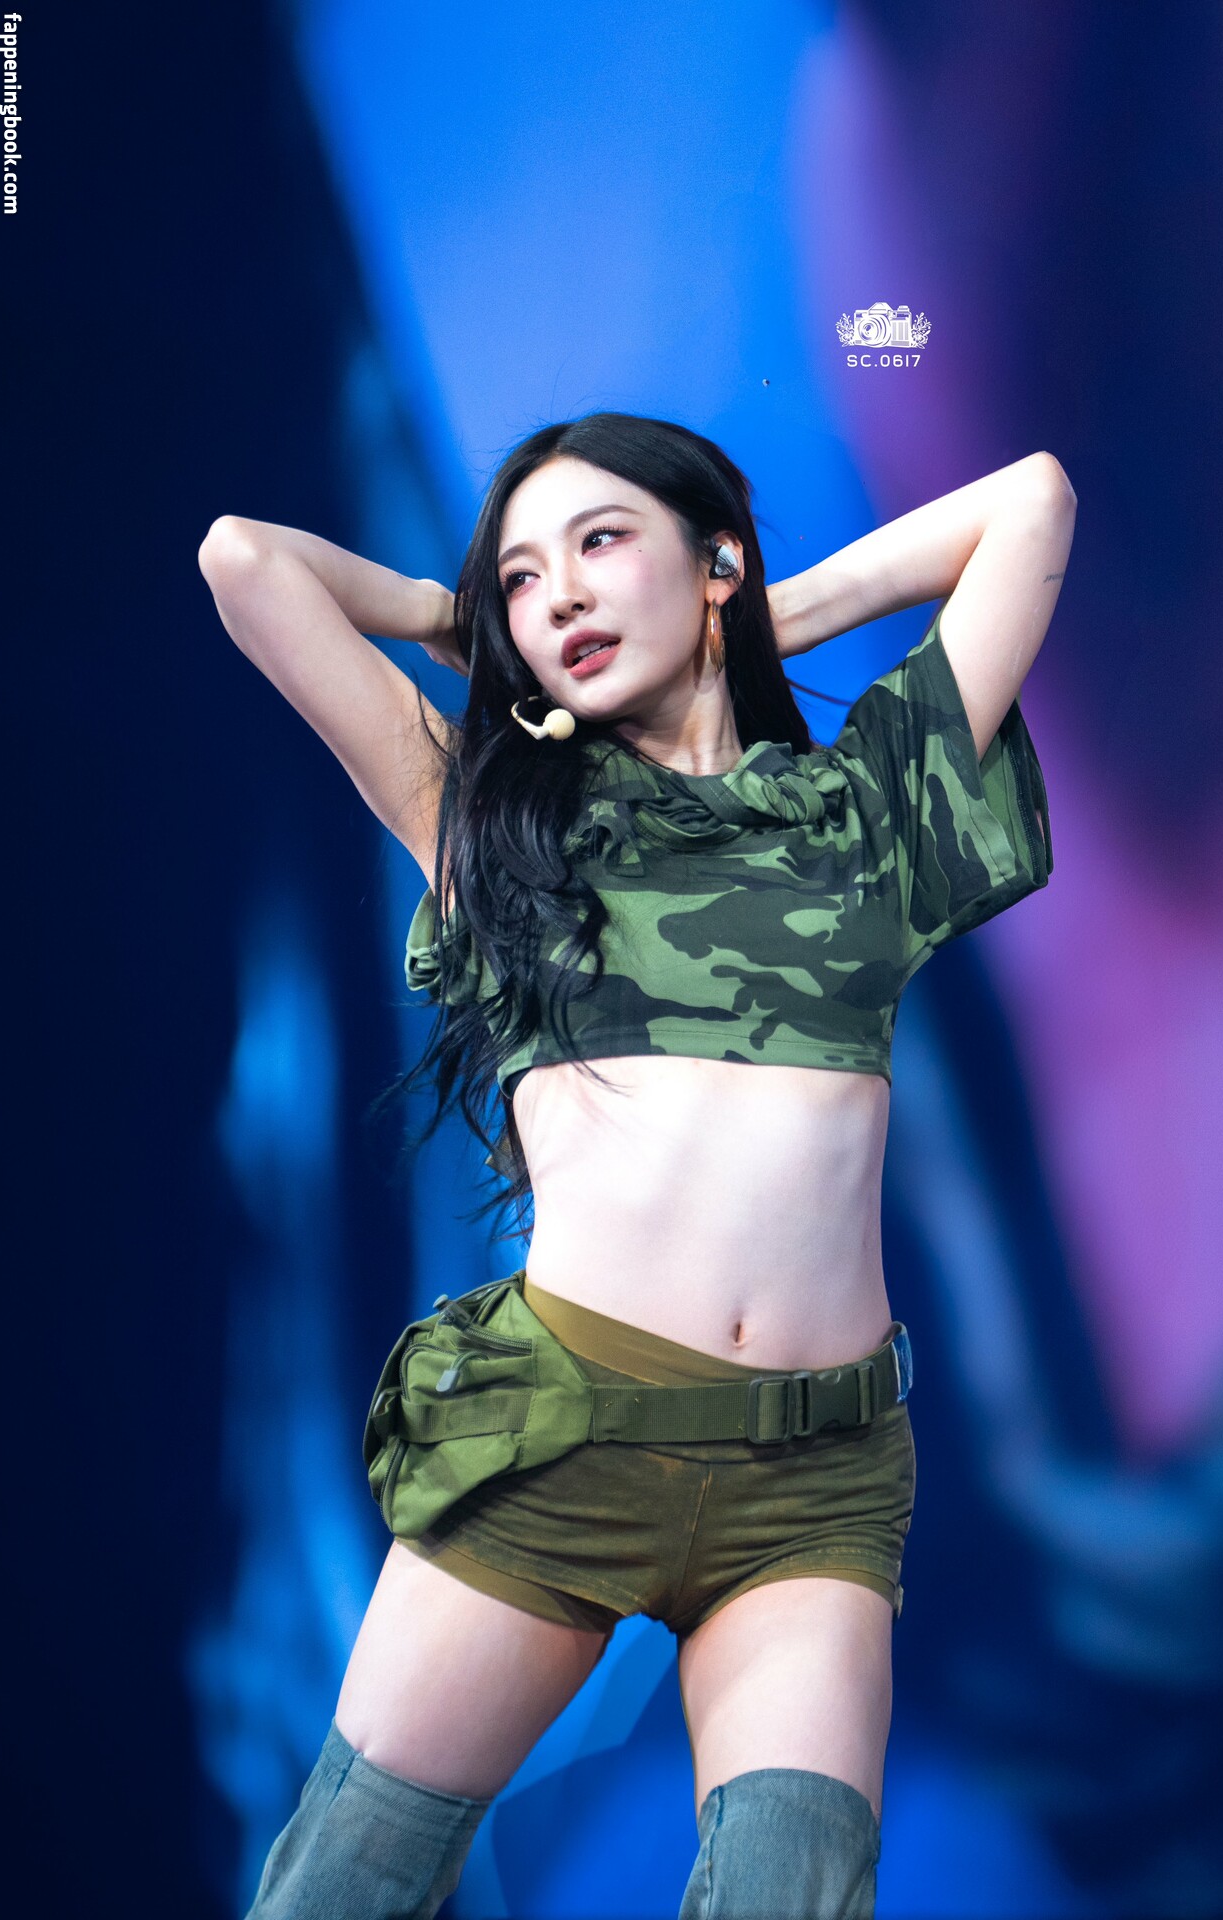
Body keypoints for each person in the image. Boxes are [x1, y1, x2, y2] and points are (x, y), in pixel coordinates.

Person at [198, 412, 1074, 1919]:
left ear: (714, 560)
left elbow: (1030, 505)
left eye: (601, 543)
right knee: (342, 1889)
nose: (560, 597)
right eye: (523, 579)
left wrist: (768, 620)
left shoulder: (867, 812)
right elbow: (244, 563)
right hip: (561, 1442)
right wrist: (462, 626)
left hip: (815, 1483)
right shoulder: (493, 826)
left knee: (792, 1895)